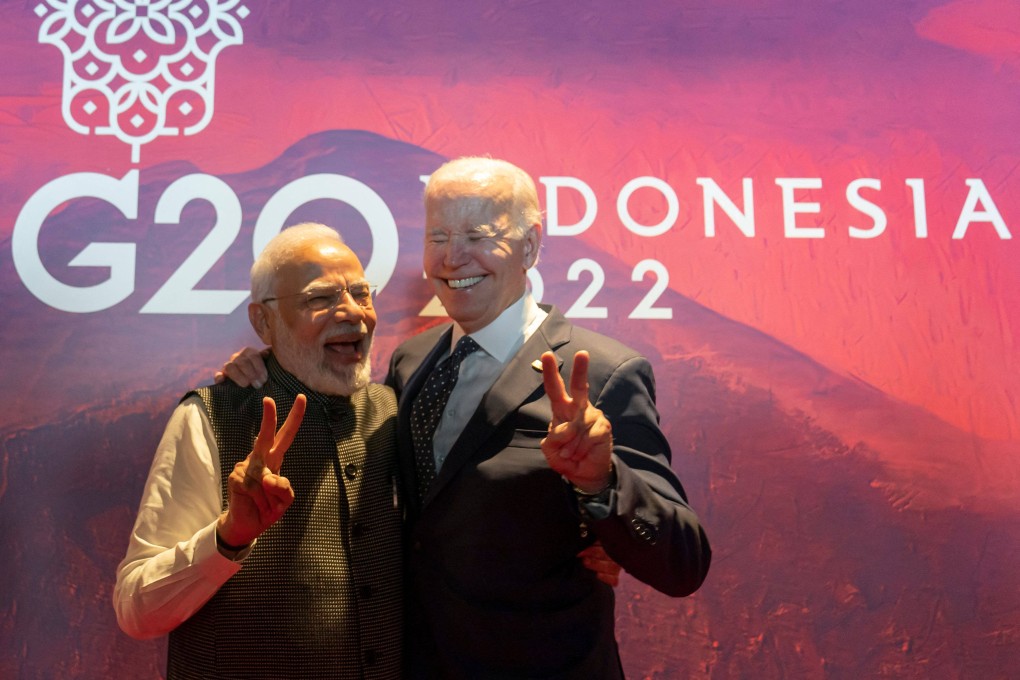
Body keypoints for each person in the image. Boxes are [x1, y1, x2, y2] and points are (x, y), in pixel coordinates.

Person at [222, 157, 711, 678]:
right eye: (438, 236)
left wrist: (604, 486)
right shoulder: (410, 360)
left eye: (478, 235)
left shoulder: (605, 374)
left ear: (530, 245)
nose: (453, 257)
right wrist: (267, 365)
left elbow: (682, 563)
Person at [113, 223, 404, 679]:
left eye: (361, 293)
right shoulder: (210, 416)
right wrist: (228, 537)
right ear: (264, 322)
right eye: (320, 298)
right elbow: (137, 610)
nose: (352, 312)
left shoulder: (393, 410)